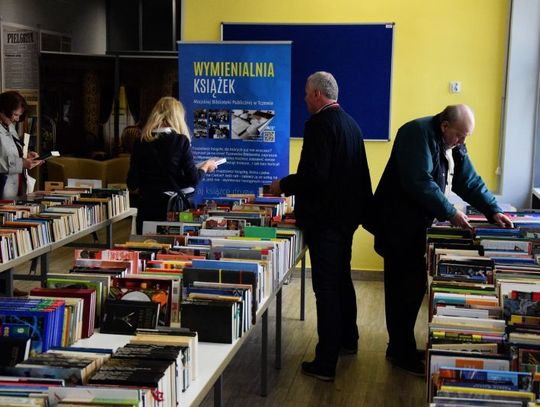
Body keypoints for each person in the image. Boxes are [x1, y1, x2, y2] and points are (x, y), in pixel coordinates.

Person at [365, 104, 513, 375]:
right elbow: (418, 181)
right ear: (445, 126)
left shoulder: (451, 141)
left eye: (465, 137)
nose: (462, 142)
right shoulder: (415, 133)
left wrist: (493, 209)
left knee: (412, 289)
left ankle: (401, 348)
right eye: (460, 135)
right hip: (397, 227)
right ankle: (400, 352)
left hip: (414, 227)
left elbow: (468, 180)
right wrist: (450, 212)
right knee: (402, 291)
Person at [270, 71, 373, 381]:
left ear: (317, 94)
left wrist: (283, 185)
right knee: (342, 279)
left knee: (325, 288)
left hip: (325, 222)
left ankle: (325, 362)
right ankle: (348, 340)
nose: (304, 99)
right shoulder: (351, 124)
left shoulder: (318, 125)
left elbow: (315, 176)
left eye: (306, 93)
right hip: (345, 220)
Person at [127, 97, 218, 233]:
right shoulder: (181, 141)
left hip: (147, 208)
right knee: (171, 251)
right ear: (177, 117)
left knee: (146, 247)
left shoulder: (140, 142)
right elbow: (193, 179)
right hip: (172, 211)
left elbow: (132, 183)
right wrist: (205, 167)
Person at [0, 91, 43, 199]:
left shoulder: (8, 125)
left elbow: (10, 151)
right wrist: (21, 164)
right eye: (15, 114)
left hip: (15, 187)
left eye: (19, 115)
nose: (17, 119)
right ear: (3, 109)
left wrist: (26, 156)